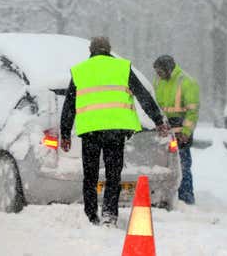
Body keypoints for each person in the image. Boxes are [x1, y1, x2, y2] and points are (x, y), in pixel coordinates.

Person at [60, 37, 168, 226]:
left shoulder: (80, 71)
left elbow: (69, 105)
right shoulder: (122, 68)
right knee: (113, 175)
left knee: (90, 175)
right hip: (115, 132)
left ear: (91, 51)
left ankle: (91, 215)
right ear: (109, 50)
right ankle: (109, 214)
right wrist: (158, 120)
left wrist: (65, 133)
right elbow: (143, 95)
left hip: (91, 131)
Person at [153, 55, 200, 205]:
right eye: (156, 72)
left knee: (183, 167)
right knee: (162, 168)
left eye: (160, 71)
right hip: (164, 132)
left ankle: (186, 200)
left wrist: (186, 133)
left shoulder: (186, 82)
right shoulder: (158, 81)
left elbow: (193, 111)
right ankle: (164, 199)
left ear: (169, 69)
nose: (158, 75)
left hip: (180, 133)